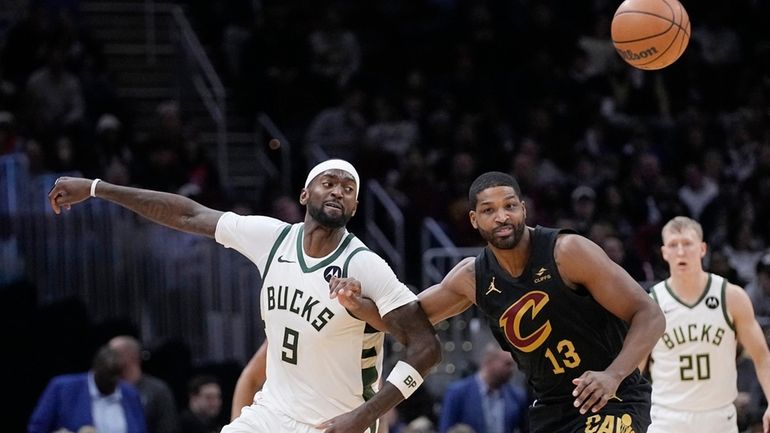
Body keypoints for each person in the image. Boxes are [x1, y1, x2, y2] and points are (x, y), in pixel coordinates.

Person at [47, 158, 441, 433]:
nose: (338, 191)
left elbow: (426, 347)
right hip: (272, 413)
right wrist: (98, 189)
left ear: (354, 206)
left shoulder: (365, 265)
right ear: (305, 194)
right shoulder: (271, 238)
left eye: (348, 188)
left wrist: (365, 416)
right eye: (329, 182)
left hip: (338, 422)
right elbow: (188, 214)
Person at [340, 171, 665, 433]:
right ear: (473, 220)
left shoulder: (567, 252)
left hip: (614, 397)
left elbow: (649, 314)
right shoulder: (472, 277)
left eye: (510, 206)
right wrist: (359, 305)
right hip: (552, 410)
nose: (502, 217)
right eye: (489, 210)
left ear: (523, 209)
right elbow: (409, 322)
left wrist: (613, 375)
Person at [641, 216, 770, 433]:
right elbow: (635, 366)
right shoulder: (652, 303)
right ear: (664, 252)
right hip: (667, 417)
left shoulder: (731, 296)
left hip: (718, 417)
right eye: (673, 245)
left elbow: (761, 355)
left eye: (687, 243)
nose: (681, 251)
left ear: (702, 249)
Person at [28, 345, 148, 433]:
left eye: (116, 375)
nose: (112, 380)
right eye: (107, 374)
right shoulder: (62, 389)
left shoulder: (129, 394)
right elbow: (36, 429)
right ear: (94, 369)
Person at [437, 342, 528, 433]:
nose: (512, 370)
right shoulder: (457, 393)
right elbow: (446, 429)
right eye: (507, 364)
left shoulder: (517, 396)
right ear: (489, 361)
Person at [109, 335, 180, 433]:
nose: (107, 359)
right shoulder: (107, 388)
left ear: (131, 356)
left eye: (112, 354)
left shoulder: (157, 389)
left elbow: (167, 427)